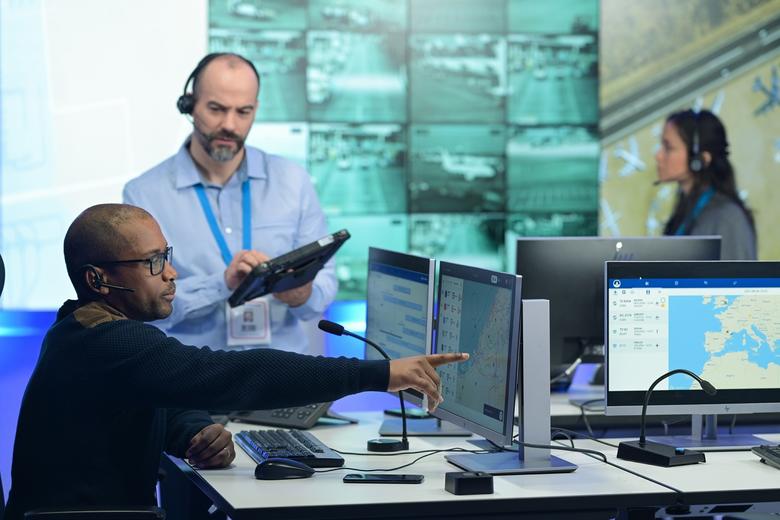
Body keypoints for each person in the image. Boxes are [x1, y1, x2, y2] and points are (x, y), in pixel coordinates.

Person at [4, 204, 468, 519]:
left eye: (166, 256)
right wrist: (380, 374)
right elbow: (235, 373)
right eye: (152, 263)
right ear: (98, 280)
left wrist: (192, 431)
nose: (171, 273)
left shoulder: (79, 328)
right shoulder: (108, 343)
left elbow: (153, 397)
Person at [124, 52, 333, 354]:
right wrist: (221, 284)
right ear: (189, 104)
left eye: (243, 112)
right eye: (216, 109)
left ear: (255, 109)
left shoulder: (293, 180)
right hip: (195, 378)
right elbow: (143, 306)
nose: (230, 125)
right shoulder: (143, 195)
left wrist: (302, 294)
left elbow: (324, 283)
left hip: (283, 374)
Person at [655, 108, 757, 260]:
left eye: (669, 147)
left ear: (699, 159)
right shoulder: (686, 210)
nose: (658, 155)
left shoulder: (727, 218)